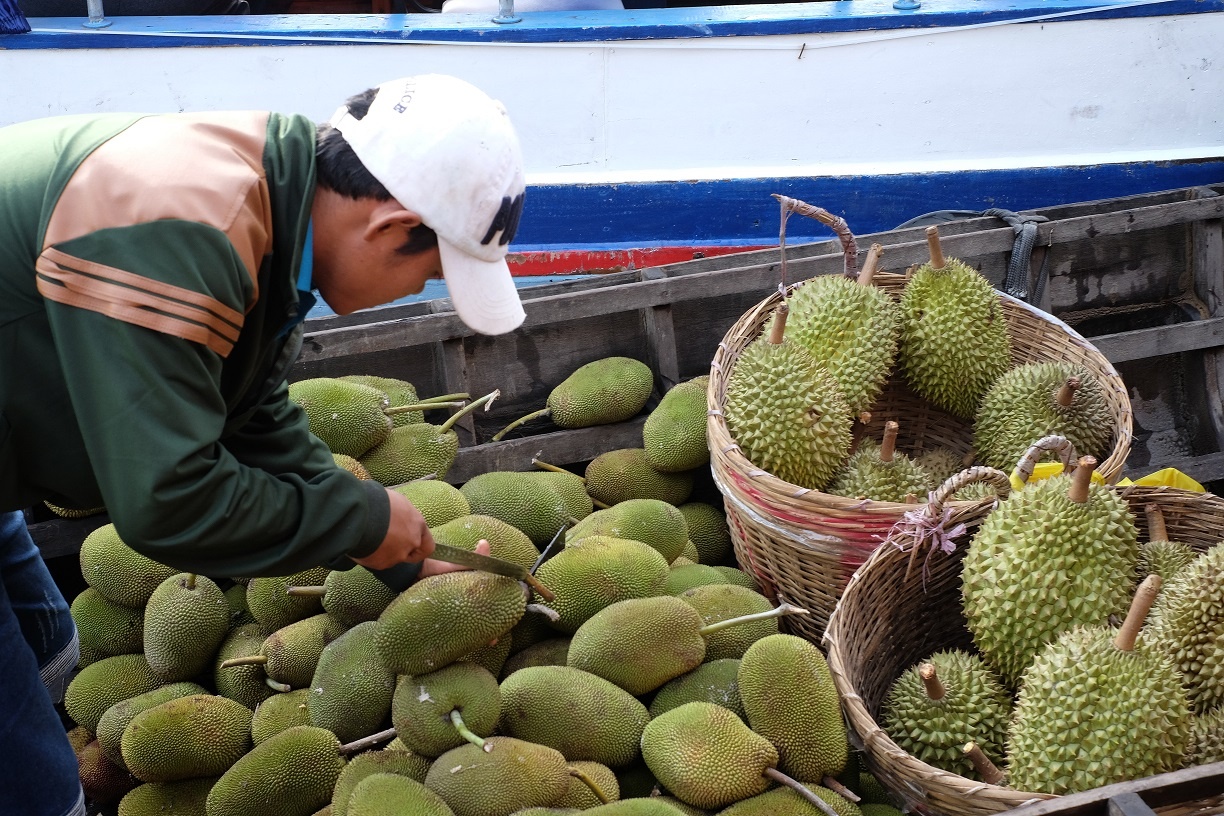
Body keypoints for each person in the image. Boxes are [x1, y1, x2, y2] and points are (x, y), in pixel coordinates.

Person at [0, 73, 528, 814]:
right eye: (430, 272)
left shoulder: (273, 199)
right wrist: (357, 522)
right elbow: (168, 503)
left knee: (46, 645)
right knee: (29, 778)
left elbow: (246, 410)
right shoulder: (182, 228)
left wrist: (377, 538)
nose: (418, 293)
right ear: (389, 227)